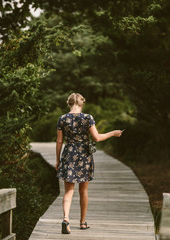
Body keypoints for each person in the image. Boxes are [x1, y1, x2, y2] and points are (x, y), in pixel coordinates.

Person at [55, 93, 123, 234]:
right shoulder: (87, 118)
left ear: (69, 103)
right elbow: (97, 138)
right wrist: (113, 133)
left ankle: (66, 218)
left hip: (68, 155)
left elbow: (59, 141)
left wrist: (57, 160)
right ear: (81, 104)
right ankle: (82, 222)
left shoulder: (62, 119)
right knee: (83, 190)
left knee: (68, 191)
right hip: (84, 156)